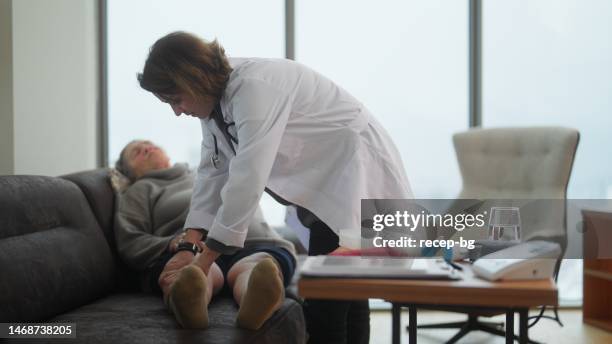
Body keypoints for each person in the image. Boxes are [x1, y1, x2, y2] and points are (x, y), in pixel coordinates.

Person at [137, 31, 414, 343]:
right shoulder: (213, 106)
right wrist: (190, 242)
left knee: (328, 294)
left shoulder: (254, 87)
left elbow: (248, 175)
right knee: (345, 286)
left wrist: (204, 260)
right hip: (327, 182)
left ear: (193, 79)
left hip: (354, 169)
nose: (176, 111)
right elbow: (212, 173)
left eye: (175, 99)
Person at [113, 139, 297, 330]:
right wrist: (170, 243)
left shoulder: (205, 171)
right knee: (197, 273)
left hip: (253, 243)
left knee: (256, 266)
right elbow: (130, 240)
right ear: (129, 171)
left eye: (147, 143)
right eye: (136, 152)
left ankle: (255, 304)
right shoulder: (140, 190)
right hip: (194, 250)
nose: (146, 148)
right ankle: (190, 302)